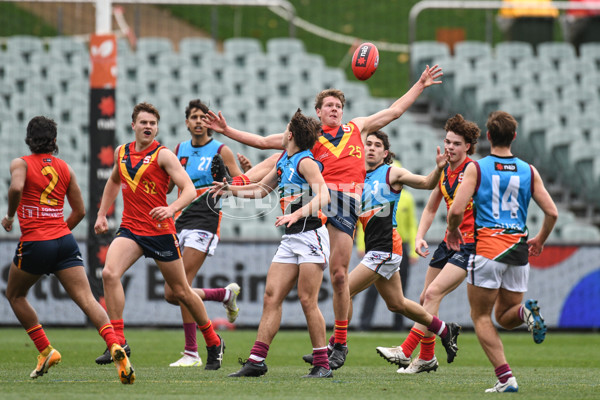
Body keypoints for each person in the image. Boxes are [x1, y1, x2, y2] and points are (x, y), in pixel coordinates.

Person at [204, 65, 443, 370]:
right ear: (318, 111)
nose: (335, 109)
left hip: (344, 204)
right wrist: (228, 132)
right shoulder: (309, 138)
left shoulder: (358, 128)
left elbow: (394, 111)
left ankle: (338, 343)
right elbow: (266, 144)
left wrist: (420, 84)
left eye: (339, 106)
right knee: (305, 290)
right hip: (317, 203)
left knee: (340, 276)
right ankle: (301, 353)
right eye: (329, 106)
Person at [302, 130, 460, 369]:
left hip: (387, 247)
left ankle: (336, 346)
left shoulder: (391, 172)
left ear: (385, 153)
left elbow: (427, 183)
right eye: (368, 144)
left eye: (377, 145)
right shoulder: (357, 176)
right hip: (377, 248)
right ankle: (445, 329)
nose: (372, 148)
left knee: (344, 287)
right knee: (396, 303)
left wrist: (438, 168)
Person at [1, 116, 134, 384]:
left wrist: (10, 216)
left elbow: (16, 187)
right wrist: (59, 232)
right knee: (87, 300)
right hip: (64, 241)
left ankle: (46, 350)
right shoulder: (65, 168)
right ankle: (114, 344)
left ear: (29, 139)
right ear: (54, 141)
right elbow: (81, 211)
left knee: (15, 294)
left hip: (36, 242)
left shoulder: (21, 163)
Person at [93, 102, 225, 371]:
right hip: (131, 229)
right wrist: (102, 214)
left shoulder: (163, 155)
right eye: (143, 122)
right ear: (133, 125)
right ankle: (117, 342)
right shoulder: (121, 152)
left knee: (181, 292)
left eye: (152, 123)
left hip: (160, 231)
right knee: (109, 273)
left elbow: (188, 189)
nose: (148, 127)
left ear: (157, 128)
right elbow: (114, 181)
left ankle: (213, 341)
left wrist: (171, 208)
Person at [212, 110, 332, 378]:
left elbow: (324, 194)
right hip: (290, 238)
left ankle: (323, 364)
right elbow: (260, 190)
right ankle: (257, 360)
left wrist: (297, 213)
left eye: (285, 127)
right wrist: (229, 189)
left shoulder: (306, 162)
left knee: (307, 300)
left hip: (311, 234)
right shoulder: (284, 160)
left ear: (290, 135)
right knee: (271, 296)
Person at [446, 111, 558, 393]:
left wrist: (453, 230)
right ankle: (526, 313)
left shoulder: (477, 168)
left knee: (481, 317)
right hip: (518, 252)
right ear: (514, 137)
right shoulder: (528, 170)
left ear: (488, 137)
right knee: (507, 314)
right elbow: (552, 212)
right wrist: (540, 239)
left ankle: (506, 378)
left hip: (487, 250)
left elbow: (456, 209)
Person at [376, 114, 480, 374]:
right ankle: (427, 358)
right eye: (447, 141)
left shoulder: (472, 171)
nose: (449, 147)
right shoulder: (445, 169)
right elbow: (432, 206)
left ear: (467, 146)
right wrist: (421, 235)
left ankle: (405, 349)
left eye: (456, 143)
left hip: (471, 245)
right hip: (449, 241)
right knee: (424, 298)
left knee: (433, 295)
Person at [163, 99, 243, 368]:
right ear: (186, 122)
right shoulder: (178, 150)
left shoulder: (222, 150)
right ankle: (223, 295)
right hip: (179, 221)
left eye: (202, 117)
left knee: (182, 286)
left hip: (206, 221)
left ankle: (191, 352)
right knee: (171, 293)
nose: (198, 121)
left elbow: (242, 186)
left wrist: (236, 174)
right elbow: (166, 187)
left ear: (209, 122)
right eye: (193, 117)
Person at [357, 160, 418, 331]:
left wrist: (413, 251)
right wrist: (361, 244)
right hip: (377, 242)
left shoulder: (408, 198)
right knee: (374, 290)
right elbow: (364, 221)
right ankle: (364, 324)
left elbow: (413, 225)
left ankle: (398, 325)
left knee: (399, 292)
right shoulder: (373, 193)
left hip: (399, 245)